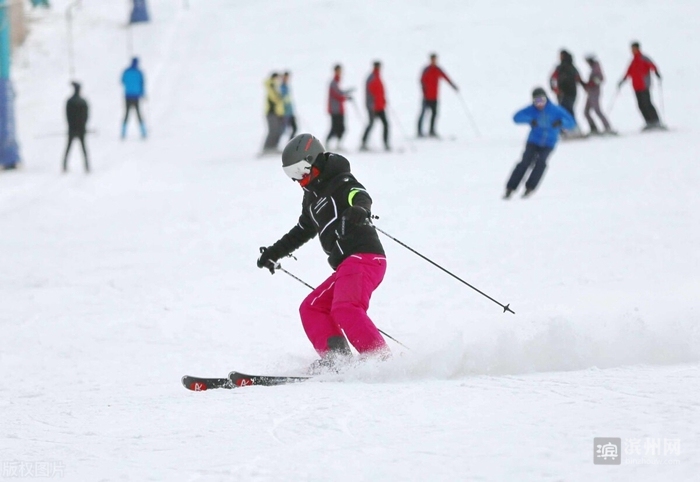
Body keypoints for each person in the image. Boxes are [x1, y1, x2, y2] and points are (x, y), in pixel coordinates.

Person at [256, 133, 389, 372]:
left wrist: (360, 209)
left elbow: (358, 195)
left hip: (365, 258)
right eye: (292, 175)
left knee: (346, 307)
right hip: (347, 266)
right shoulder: (311, 198)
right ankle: (338, 362)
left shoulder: (340, 180)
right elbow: (301, 231)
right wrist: (274, 252)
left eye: (300, 171)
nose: (299, 180)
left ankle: (380, 362)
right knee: (312, 308)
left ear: (313, 161)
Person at [504, 87, 575, 199]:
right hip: (533, 141)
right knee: (525, 162)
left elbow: (571, 123)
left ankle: (530, 187)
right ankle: (510, 188)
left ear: (546, 99)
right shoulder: (531, 110)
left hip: (549, 143)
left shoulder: (556, 110)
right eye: (537, 101)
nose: (540, 104)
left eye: (542, 100)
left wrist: (561, 122)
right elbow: (516, 117)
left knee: (541, 163)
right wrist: (529, 119)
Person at [618, 41, 663, 130]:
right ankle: (648, 122)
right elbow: (629, 72)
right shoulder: (633, 61)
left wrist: (657, 73)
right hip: (636, 86)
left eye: (634, 49)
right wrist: (623, 80)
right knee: (640, 105)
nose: (632, 50)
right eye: (631, 49)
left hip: (644, 85)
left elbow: (652, 65)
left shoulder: (643, 58)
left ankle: (656, 121)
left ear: (638, 48)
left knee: (647, 103)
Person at [417, 53, 458, 137]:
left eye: (435, 59)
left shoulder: (438, 69)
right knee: (423, 114)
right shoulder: (426, 69)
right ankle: (419, 131)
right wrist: (424, 90)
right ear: (430, 60)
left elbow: (446, 77)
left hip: (435, 97)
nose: (434, 61)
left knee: (434, 114)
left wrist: (453, 85)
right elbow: (421, 80)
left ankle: (432, 131)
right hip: (426, 97)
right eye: (433, 59)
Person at [549, 50, 584, 137]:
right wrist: (555, 89)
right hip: (570, 93)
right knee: (567, 111)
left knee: (565, 111)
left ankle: (568, 129)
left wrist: (555, 90)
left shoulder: (561, 68)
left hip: (566, 93)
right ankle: (571, 129)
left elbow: (552, 79)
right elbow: (578, 79)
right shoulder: (570, 67)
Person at [583, 54, 614, 135]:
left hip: (594, 92)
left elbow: (600, 79)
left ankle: (607, 127)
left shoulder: (596, 68)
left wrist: (591, 83)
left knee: (597, 110)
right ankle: (594, 128)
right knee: (586, 111)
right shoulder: (594, 68)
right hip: (591, 92)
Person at [361, 61, 389, 151]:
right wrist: (371, 105)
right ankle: (363, 142)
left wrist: (383, 100)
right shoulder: (372, 78)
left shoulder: (377, 77)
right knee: (371, 124)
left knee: (385, 124)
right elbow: (370, 94)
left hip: (380, 106)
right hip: (373, 107)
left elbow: (380, 92)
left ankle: (385, 143)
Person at [63, 81, 89, 173]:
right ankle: (87, 166)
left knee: (68, 148)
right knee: (83, 149)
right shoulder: (83, 102)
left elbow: (67, 116)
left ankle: (64, 166)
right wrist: (84, 126)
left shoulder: (69, 101)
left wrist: (70, 126)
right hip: (81, 129)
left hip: (72, 128)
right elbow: (86, 116)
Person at [326, 64, 354, 150]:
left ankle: (337, 144)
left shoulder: (336, 82)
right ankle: (327, 143)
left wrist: (347, 92)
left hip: (339, 109)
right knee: (335, 127)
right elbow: (337, 95)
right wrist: (346, 97)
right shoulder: (333, 82)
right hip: (335, 110)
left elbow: (339, 92)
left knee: (341, 128)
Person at [121, 57, 147, 139]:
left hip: (128, 95)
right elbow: (142, 84)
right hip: (136, 96)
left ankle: (123, 132)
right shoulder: (139, 72)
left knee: (126, 114)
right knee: (138, 114)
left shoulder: (126, 71)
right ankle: (143, 132)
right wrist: (143, 94)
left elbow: (122, 81)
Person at [262, 72, 285, 153]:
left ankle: (273, 146)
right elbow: (275, 98)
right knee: (273, 130)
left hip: (277, 113)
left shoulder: (275, 86)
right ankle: (267, 148)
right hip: (272, 113)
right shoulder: (271, 85)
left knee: (278, 130)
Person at [280, 71, 297, 141]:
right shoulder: (281, 87)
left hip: (290, 112)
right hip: (284, 112)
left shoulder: (286, 86)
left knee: (294, 128)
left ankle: (290, 143)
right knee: (283, 130)